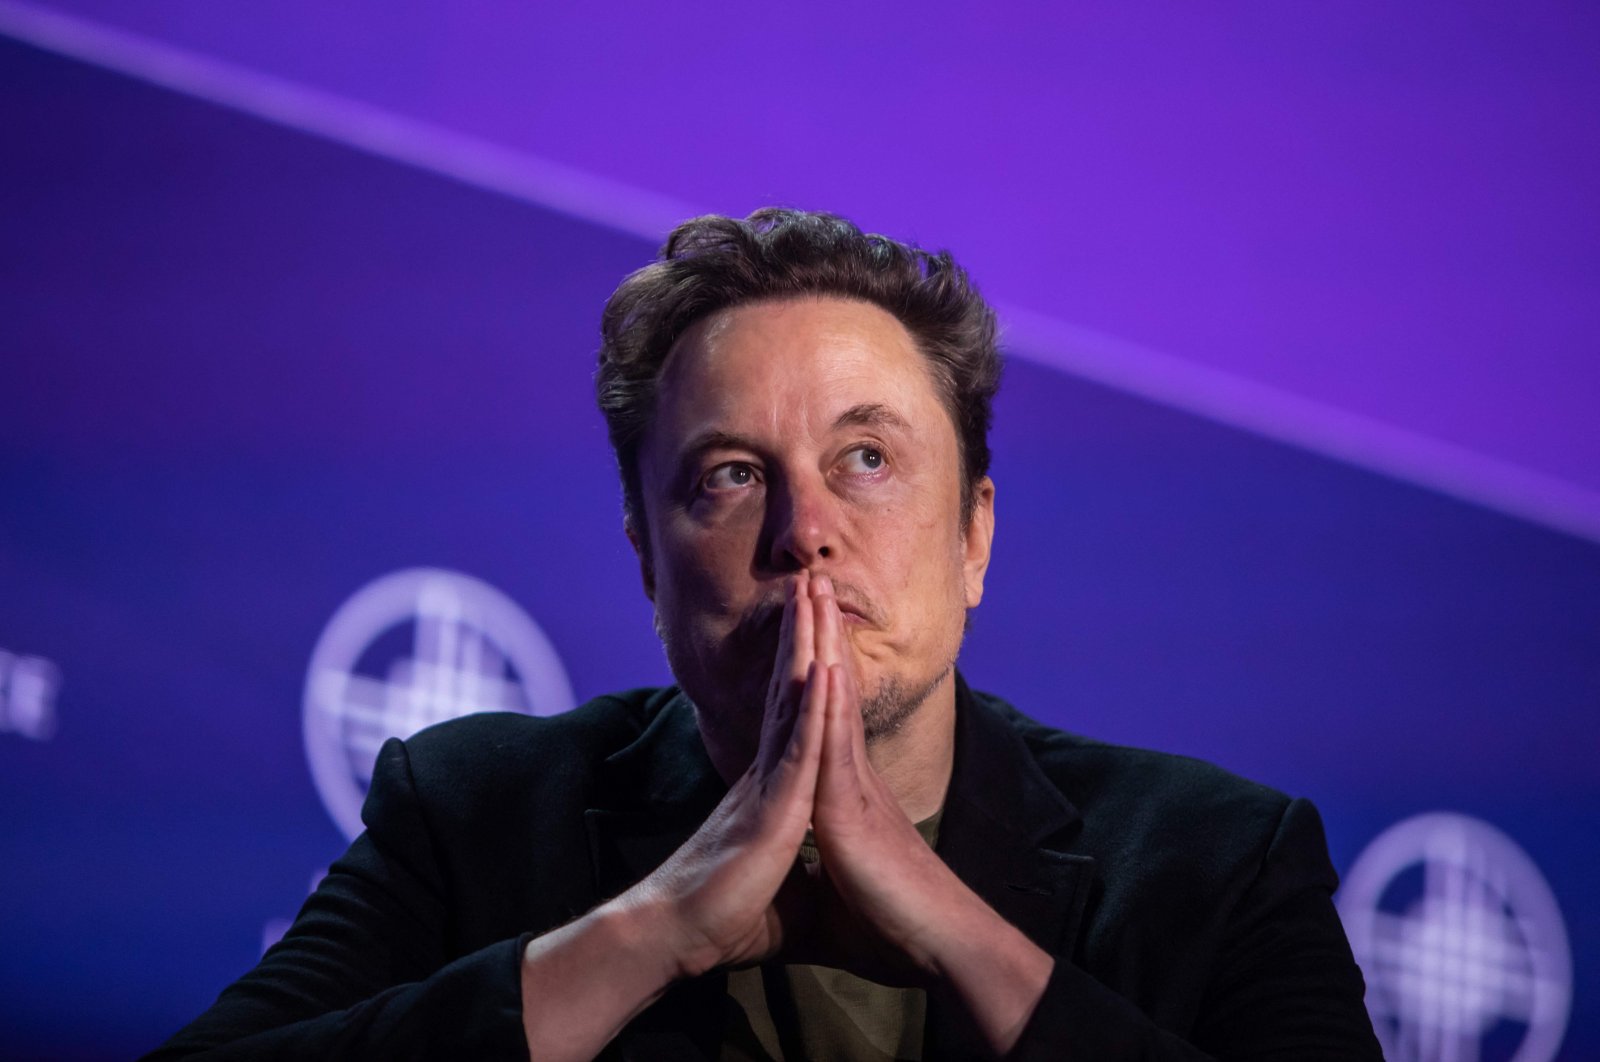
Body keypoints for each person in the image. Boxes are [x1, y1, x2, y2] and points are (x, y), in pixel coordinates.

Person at [146, 209, 1382, 1060]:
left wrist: (948, 925)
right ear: (645, 559)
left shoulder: (1219, 865)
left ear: (974, 540)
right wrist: (655, 927)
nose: (805, 531)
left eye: (867, 459)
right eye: (731, 476)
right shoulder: (472, 812)